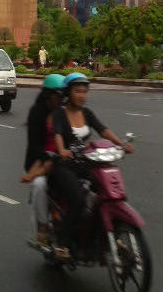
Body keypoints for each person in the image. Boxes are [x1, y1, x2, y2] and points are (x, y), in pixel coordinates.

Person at [51, 72, 133, 260]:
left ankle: (109, 234)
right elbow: (57, 134)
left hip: (84, 163)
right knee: (78, 199)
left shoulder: (87, 113)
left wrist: (121, 144)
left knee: (108, 192)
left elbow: (103, 130)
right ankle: (62, 243)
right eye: (77, 91)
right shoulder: (60, 113)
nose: (82, 95)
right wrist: (62, 150)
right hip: (64, 165)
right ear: (68, 93)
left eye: (84, 91)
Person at [20, 73, 65, 246]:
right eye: (58, 96)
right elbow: (36, 146)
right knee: (39, 185)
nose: (61, 100)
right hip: (38, 160)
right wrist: (48, 159)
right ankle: (43, 228)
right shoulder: (37, 113)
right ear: (48, 96)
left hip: (62, 160)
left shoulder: (64, 112)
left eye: (63, 96)